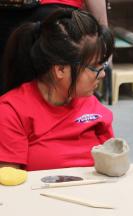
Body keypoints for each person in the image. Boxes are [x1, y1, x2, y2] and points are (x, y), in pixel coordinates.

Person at [0, 9, 115, 171]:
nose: (102, 74)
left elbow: (112, 162)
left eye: (102, 65)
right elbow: (8, 185)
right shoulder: (12, 112)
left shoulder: (90, 103)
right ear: (60, 69)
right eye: (94, 67)